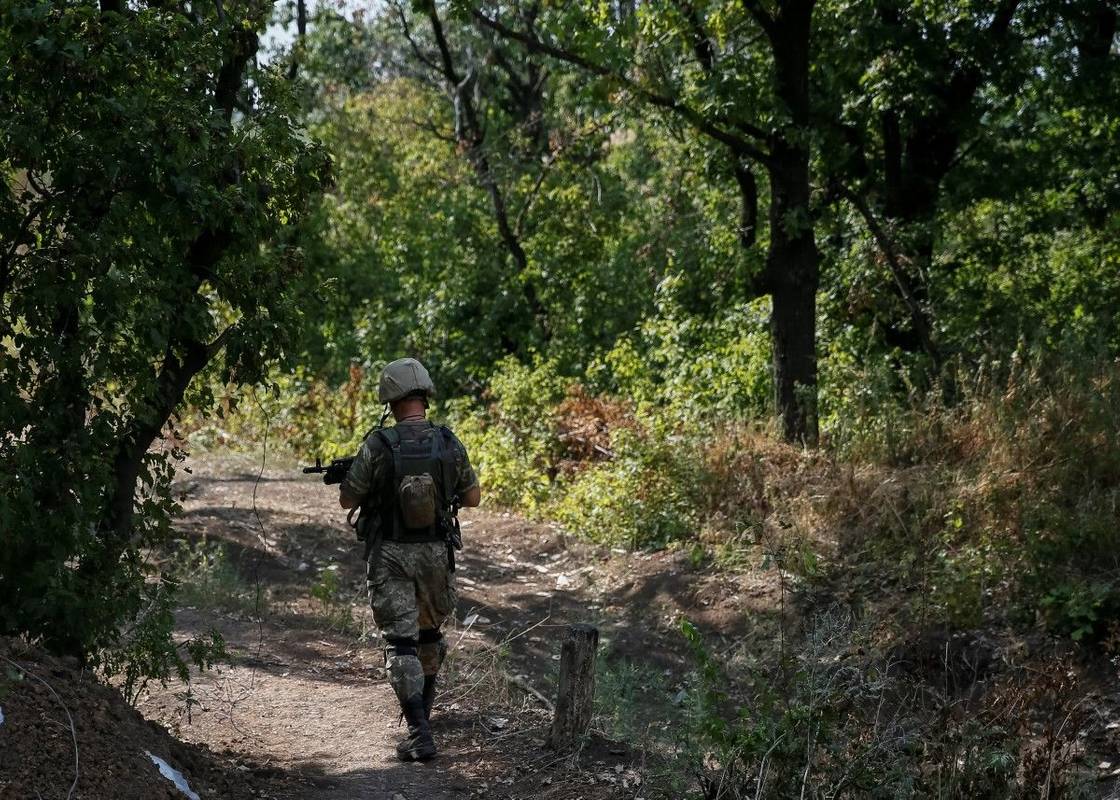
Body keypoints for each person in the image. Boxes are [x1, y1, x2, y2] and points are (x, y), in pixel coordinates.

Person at [339, 357, 481, 761]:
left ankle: (420, 732)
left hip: (391, 555)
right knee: (429, 635)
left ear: (390, 398)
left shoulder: (377, 445)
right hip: (437, 553)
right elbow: (472, 497)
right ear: (424, 395)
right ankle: (424, 727)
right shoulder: (448, 442)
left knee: (401, 642)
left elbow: (348, 498)